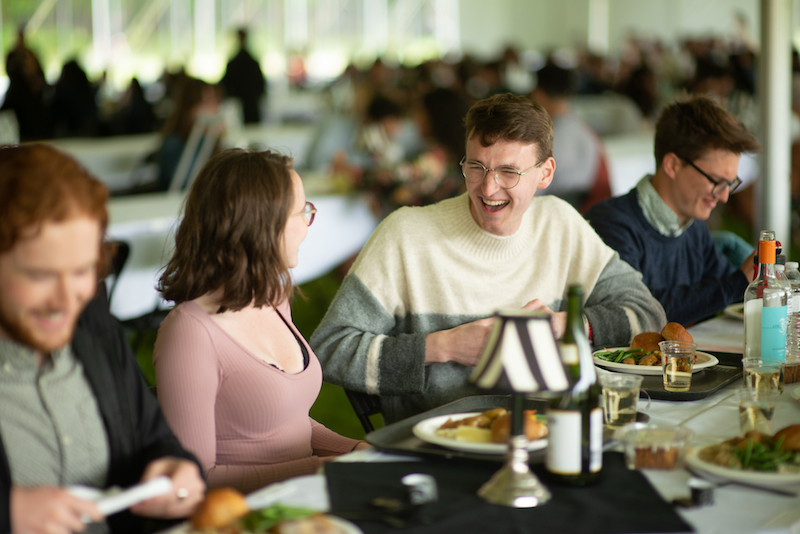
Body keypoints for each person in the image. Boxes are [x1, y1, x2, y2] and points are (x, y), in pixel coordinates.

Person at [311, 93, 666, 424]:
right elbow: (328, 350)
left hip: (547, 429)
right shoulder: (406, 234)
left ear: (546, 173)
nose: (488, 188)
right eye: (476, 167)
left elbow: (646, 313)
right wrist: (442, 346)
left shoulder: (560, 223)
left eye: (509, 172)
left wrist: (563, 327)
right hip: (437, 442)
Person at [0, 144, 205, 534]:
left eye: (80, 271)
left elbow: (153, 439)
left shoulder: (93, 326)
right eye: (40, 276)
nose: (65, 302)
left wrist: (177, 471)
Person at [153, 149, 368, 494]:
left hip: (302, 500)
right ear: (260, 225)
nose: (307, 223)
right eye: (302, 211)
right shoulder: (189, 333)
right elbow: (193, 480)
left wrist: (352, 449)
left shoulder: (274, 295)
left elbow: (289, 423)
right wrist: (317, 469)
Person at [585, 95, 760, 325]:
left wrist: (759, 279)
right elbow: (639, 311)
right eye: (716, 181)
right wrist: (739, 282)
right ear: (673, 165)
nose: (724, 196)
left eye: (730, 183)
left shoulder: (693, 226)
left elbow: (724, 290)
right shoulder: (610, 224)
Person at [531, 61, 611, 213]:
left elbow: (530, 192)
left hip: (549, 214)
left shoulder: (546, 137)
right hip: (579, 214)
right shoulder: (585, 130)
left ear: (538, 94)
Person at [221, 28, 266, 124]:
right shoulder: (252, 62)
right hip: (246, 106)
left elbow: (225, 84)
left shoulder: (236, 63)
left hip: (246, 105)